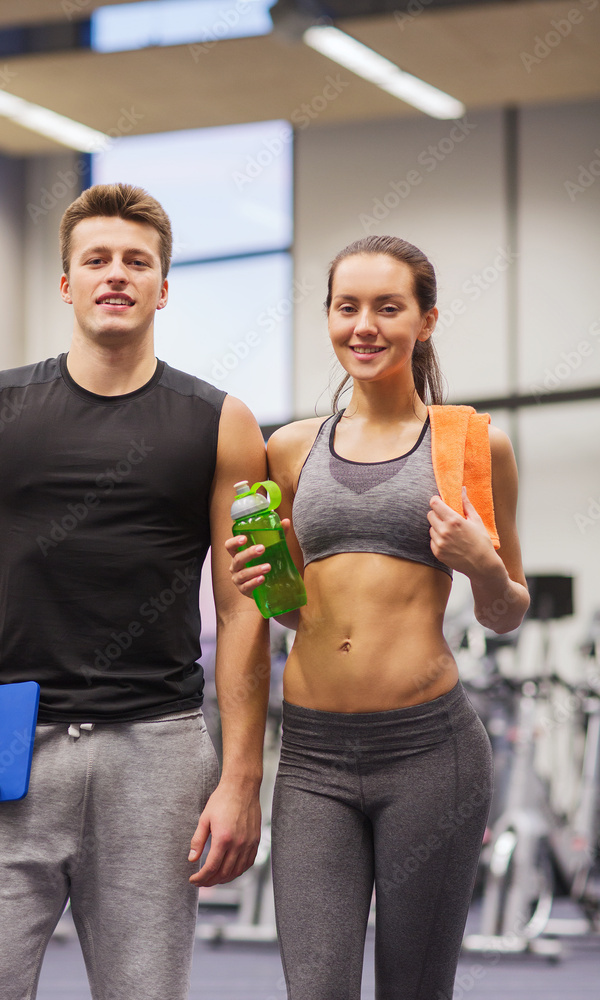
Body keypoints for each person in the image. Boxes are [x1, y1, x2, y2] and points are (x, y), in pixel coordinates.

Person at [0, 182, 270, 1000]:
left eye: (137, 261)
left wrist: (241, 778)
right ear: (67, 283)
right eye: (96, 259)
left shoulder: (224, 424)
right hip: (7, 751)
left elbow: (248, 603)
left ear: (164, 287)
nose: (117, 274)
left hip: (159, 751)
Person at [226, 235, 530, 1000]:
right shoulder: (291, 449)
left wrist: (481, 563)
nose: (364, 326)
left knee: (414, 989)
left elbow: (506, 611)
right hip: (314, 757)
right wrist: (267, 587)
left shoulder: (470, 443)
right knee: (316, 988)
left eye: (387, 308)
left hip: (430, 753)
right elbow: (297, 613)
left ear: (424, 321)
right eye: (346, 307)